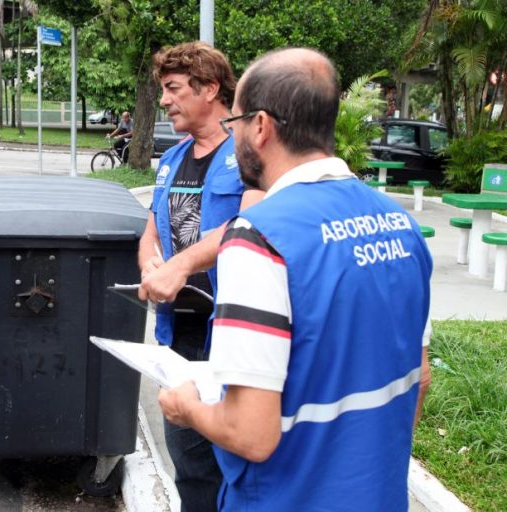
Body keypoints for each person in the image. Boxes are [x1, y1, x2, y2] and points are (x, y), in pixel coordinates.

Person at [158, 48, 433, 511]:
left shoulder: (259, 238)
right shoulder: (399, 223)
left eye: (238, 121)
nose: (234, 134)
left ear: (261, 126)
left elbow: (250, 434)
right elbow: (419, 377)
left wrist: (187, 408)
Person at [137, 42, 263, 512]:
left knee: (240, 460)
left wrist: (182, 264)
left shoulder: (251, 150)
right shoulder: (172, 159)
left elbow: (250, 224)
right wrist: (152, 263)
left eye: (173, 89)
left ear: (210, 88)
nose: (165, 100)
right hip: (181, 337)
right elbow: (151, 231)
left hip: (237, 334)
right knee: (190, 463)